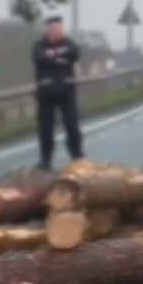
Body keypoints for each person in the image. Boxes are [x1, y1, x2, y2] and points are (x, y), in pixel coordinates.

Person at [32, 15, 83, 170]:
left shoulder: (68, 43)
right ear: (48, 29)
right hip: (46, 92)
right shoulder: (39, 45)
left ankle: (77, 156)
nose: (58, 31)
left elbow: (74, 53)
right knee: (46, 129)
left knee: (72, 126)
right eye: (55, 28)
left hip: (66, 90)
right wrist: (59, 56)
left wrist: (53, 55)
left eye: (60, 28)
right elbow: (38, 58)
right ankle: (45, 160)